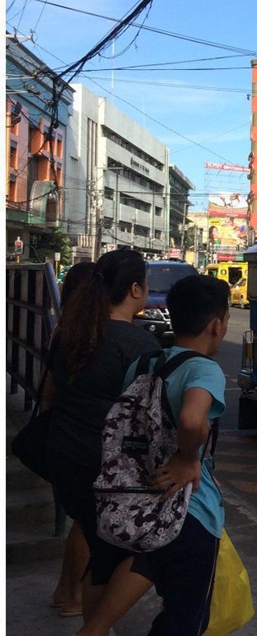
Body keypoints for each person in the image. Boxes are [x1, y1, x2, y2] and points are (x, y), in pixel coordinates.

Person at [76, 274, 230, 636]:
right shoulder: (204, 368)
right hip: (188, 512)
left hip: (137, 500)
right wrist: (189, 459)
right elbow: (192, 420)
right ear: (217, 324)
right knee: (184, 620)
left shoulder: (145, 363)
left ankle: (95, 628)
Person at [44, 250, 161, 629]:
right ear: (134, 288)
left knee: (100, 550)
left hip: (62, 453)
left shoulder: (71, 334)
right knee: (147, 549)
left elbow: (49, 396)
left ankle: (83, 611)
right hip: (109, 467)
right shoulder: (141, 346)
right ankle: (93, 627)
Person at [50, 261, 96, 618]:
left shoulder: (63, 331)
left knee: (80, 519)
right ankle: (72, 596)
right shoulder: (97, 335)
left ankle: (64, 592)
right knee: (85, 521)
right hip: (85, 441)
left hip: (62, 437)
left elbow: (49, 393)